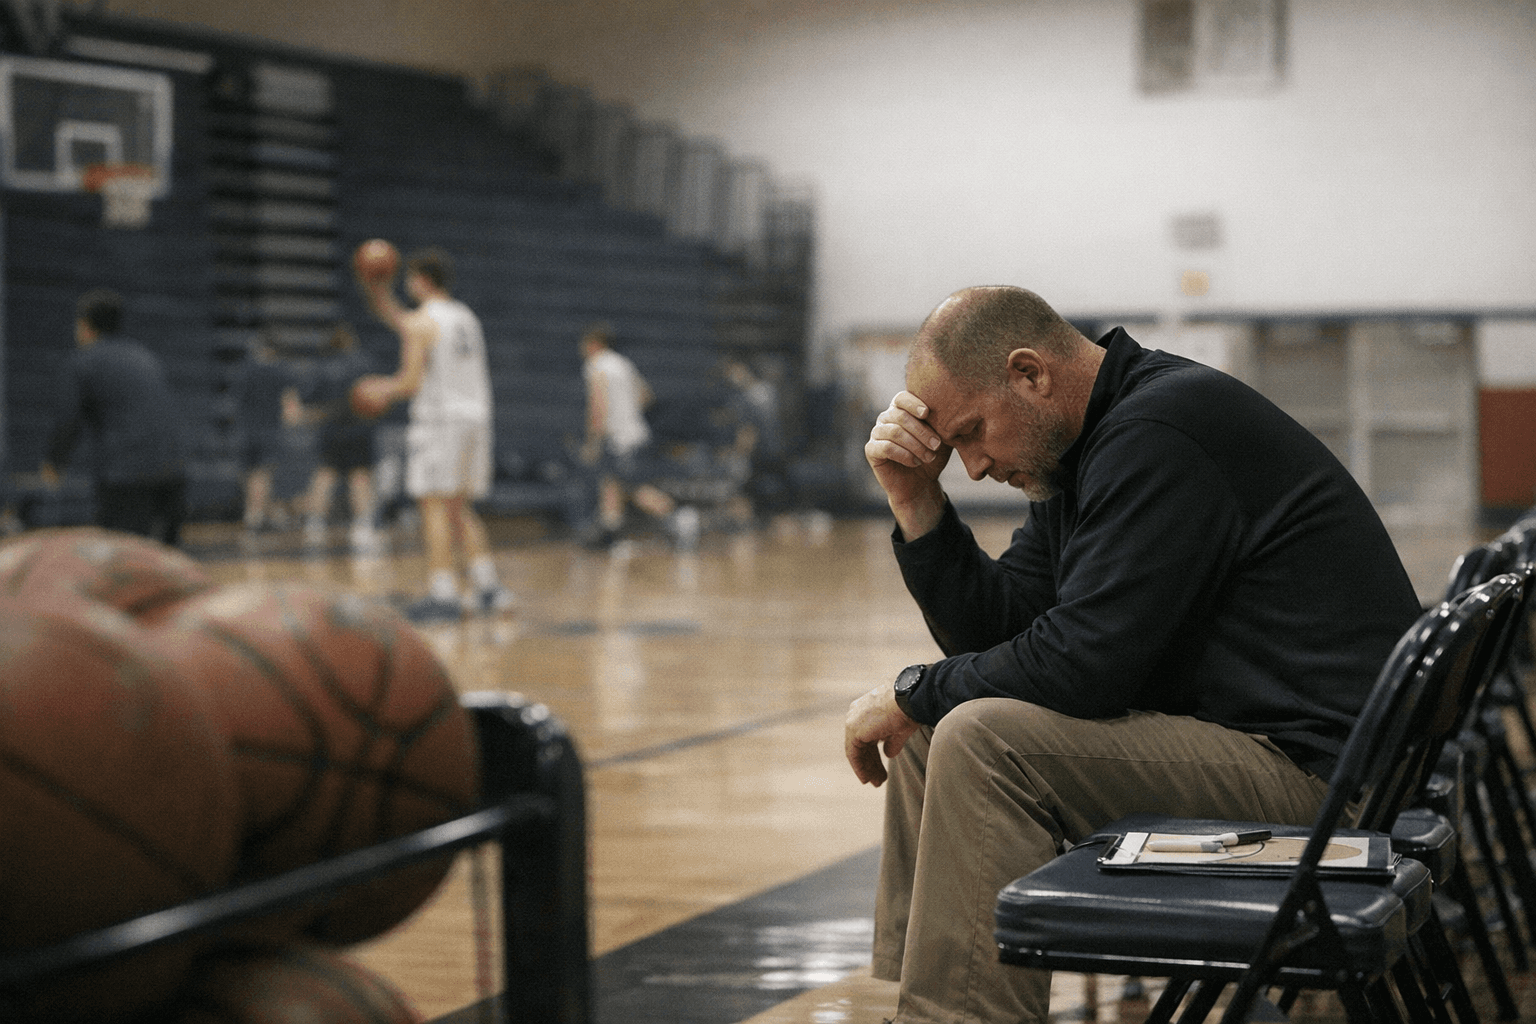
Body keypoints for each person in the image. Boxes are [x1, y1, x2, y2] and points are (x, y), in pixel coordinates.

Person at [844, 286, 1421, 1024]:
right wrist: (917, 505)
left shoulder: (1159, 432)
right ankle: (931, 1004)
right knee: (934, 730)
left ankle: (956, 1018)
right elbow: (1004, 634)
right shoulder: (1087, 447)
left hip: (1327, 787)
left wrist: (912, 690)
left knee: (980, 739)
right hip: (1281, 750)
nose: (975, 467)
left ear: (1030, 374)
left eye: (972, 434)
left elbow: (1083, 668)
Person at [357, 246, 513, 621]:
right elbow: (403, 321)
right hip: (475, 419)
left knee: (434, 506)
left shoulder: (422, 321)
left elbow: (410, 382)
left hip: (441, 422)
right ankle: (488, 588)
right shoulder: (465, 316)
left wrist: (380, 388)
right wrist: (379, 293)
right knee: (460, 507)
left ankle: (443, 593)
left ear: (421, 280)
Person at [41, 288, 189, 545]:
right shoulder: (144, 357)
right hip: (174, 470)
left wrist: (53, 465)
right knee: (166, 558)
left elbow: (67, 422)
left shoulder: (83, 362)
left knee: (122, 555)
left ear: (85, 326)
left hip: (126, 477)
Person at [578, 323, 698, 550]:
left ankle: (679, 516)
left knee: (631, 486)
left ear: (593, 344)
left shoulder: (597, 364)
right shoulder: (624, 364)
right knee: (611, 481)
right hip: (637, 433)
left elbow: (598, 405)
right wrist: (628, 413)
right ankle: (611, 529)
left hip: (620, 438)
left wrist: (592, 441)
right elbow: (646, 396)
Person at [300, 323, 380, 552]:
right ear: (350, 340)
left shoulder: (321, 367)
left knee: (325, 474)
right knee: (360, 475)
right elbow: (377, 397)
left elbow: (307, 399)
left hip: (331, 428)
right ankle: (363, 526)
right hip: (359, 428)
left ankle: (314, 525)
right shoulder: (365, 363)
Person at [234, 333, 300, 534]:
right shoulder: (281, 372)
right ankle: (255, 517)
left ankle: (258, 512)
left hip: (246, 430)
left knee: (249, 474)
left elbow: (238, 400)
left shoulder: (246, 369)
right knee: (262, 475)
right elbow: (290, 407)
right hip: (269, 430)